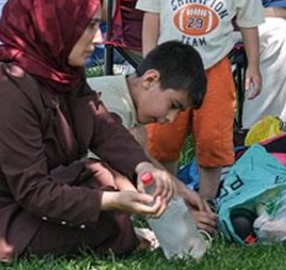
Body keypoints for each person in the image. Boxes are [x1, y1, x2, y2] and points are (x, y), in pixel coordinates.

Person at [0, 0, 179, 263]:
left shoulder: (59, 69)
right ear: (54, 24)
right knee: (111, 225)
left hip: (15, 197)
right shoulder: (9, 90)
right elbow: (32, 190)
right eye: (90, 26)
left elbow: (102, 125)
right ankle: (126, 236)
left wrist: (142, 165)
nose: (98, 38)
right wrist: (112, 202)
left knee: (102, 177)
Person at [138, 0, 267, 201]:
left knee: (213, 142)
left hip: (214, 68)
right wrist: (149, 61)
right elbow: (151, 11)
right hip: (169, 66)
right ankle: (165, 202)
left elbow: (249, 21)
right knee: (162, 139)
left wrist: (253, 65)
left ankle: (207, 204)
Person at [86, 40, 215, 231]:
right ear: (150, 80)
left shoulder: (128, 102)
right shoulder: (112, 106)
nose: (171, 119)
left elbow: (142, 161)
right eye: (173, 105)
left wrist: (183, 192)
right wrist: (175, 219)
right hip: (58, 185)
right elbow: (102, 171)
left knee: (138, 137)